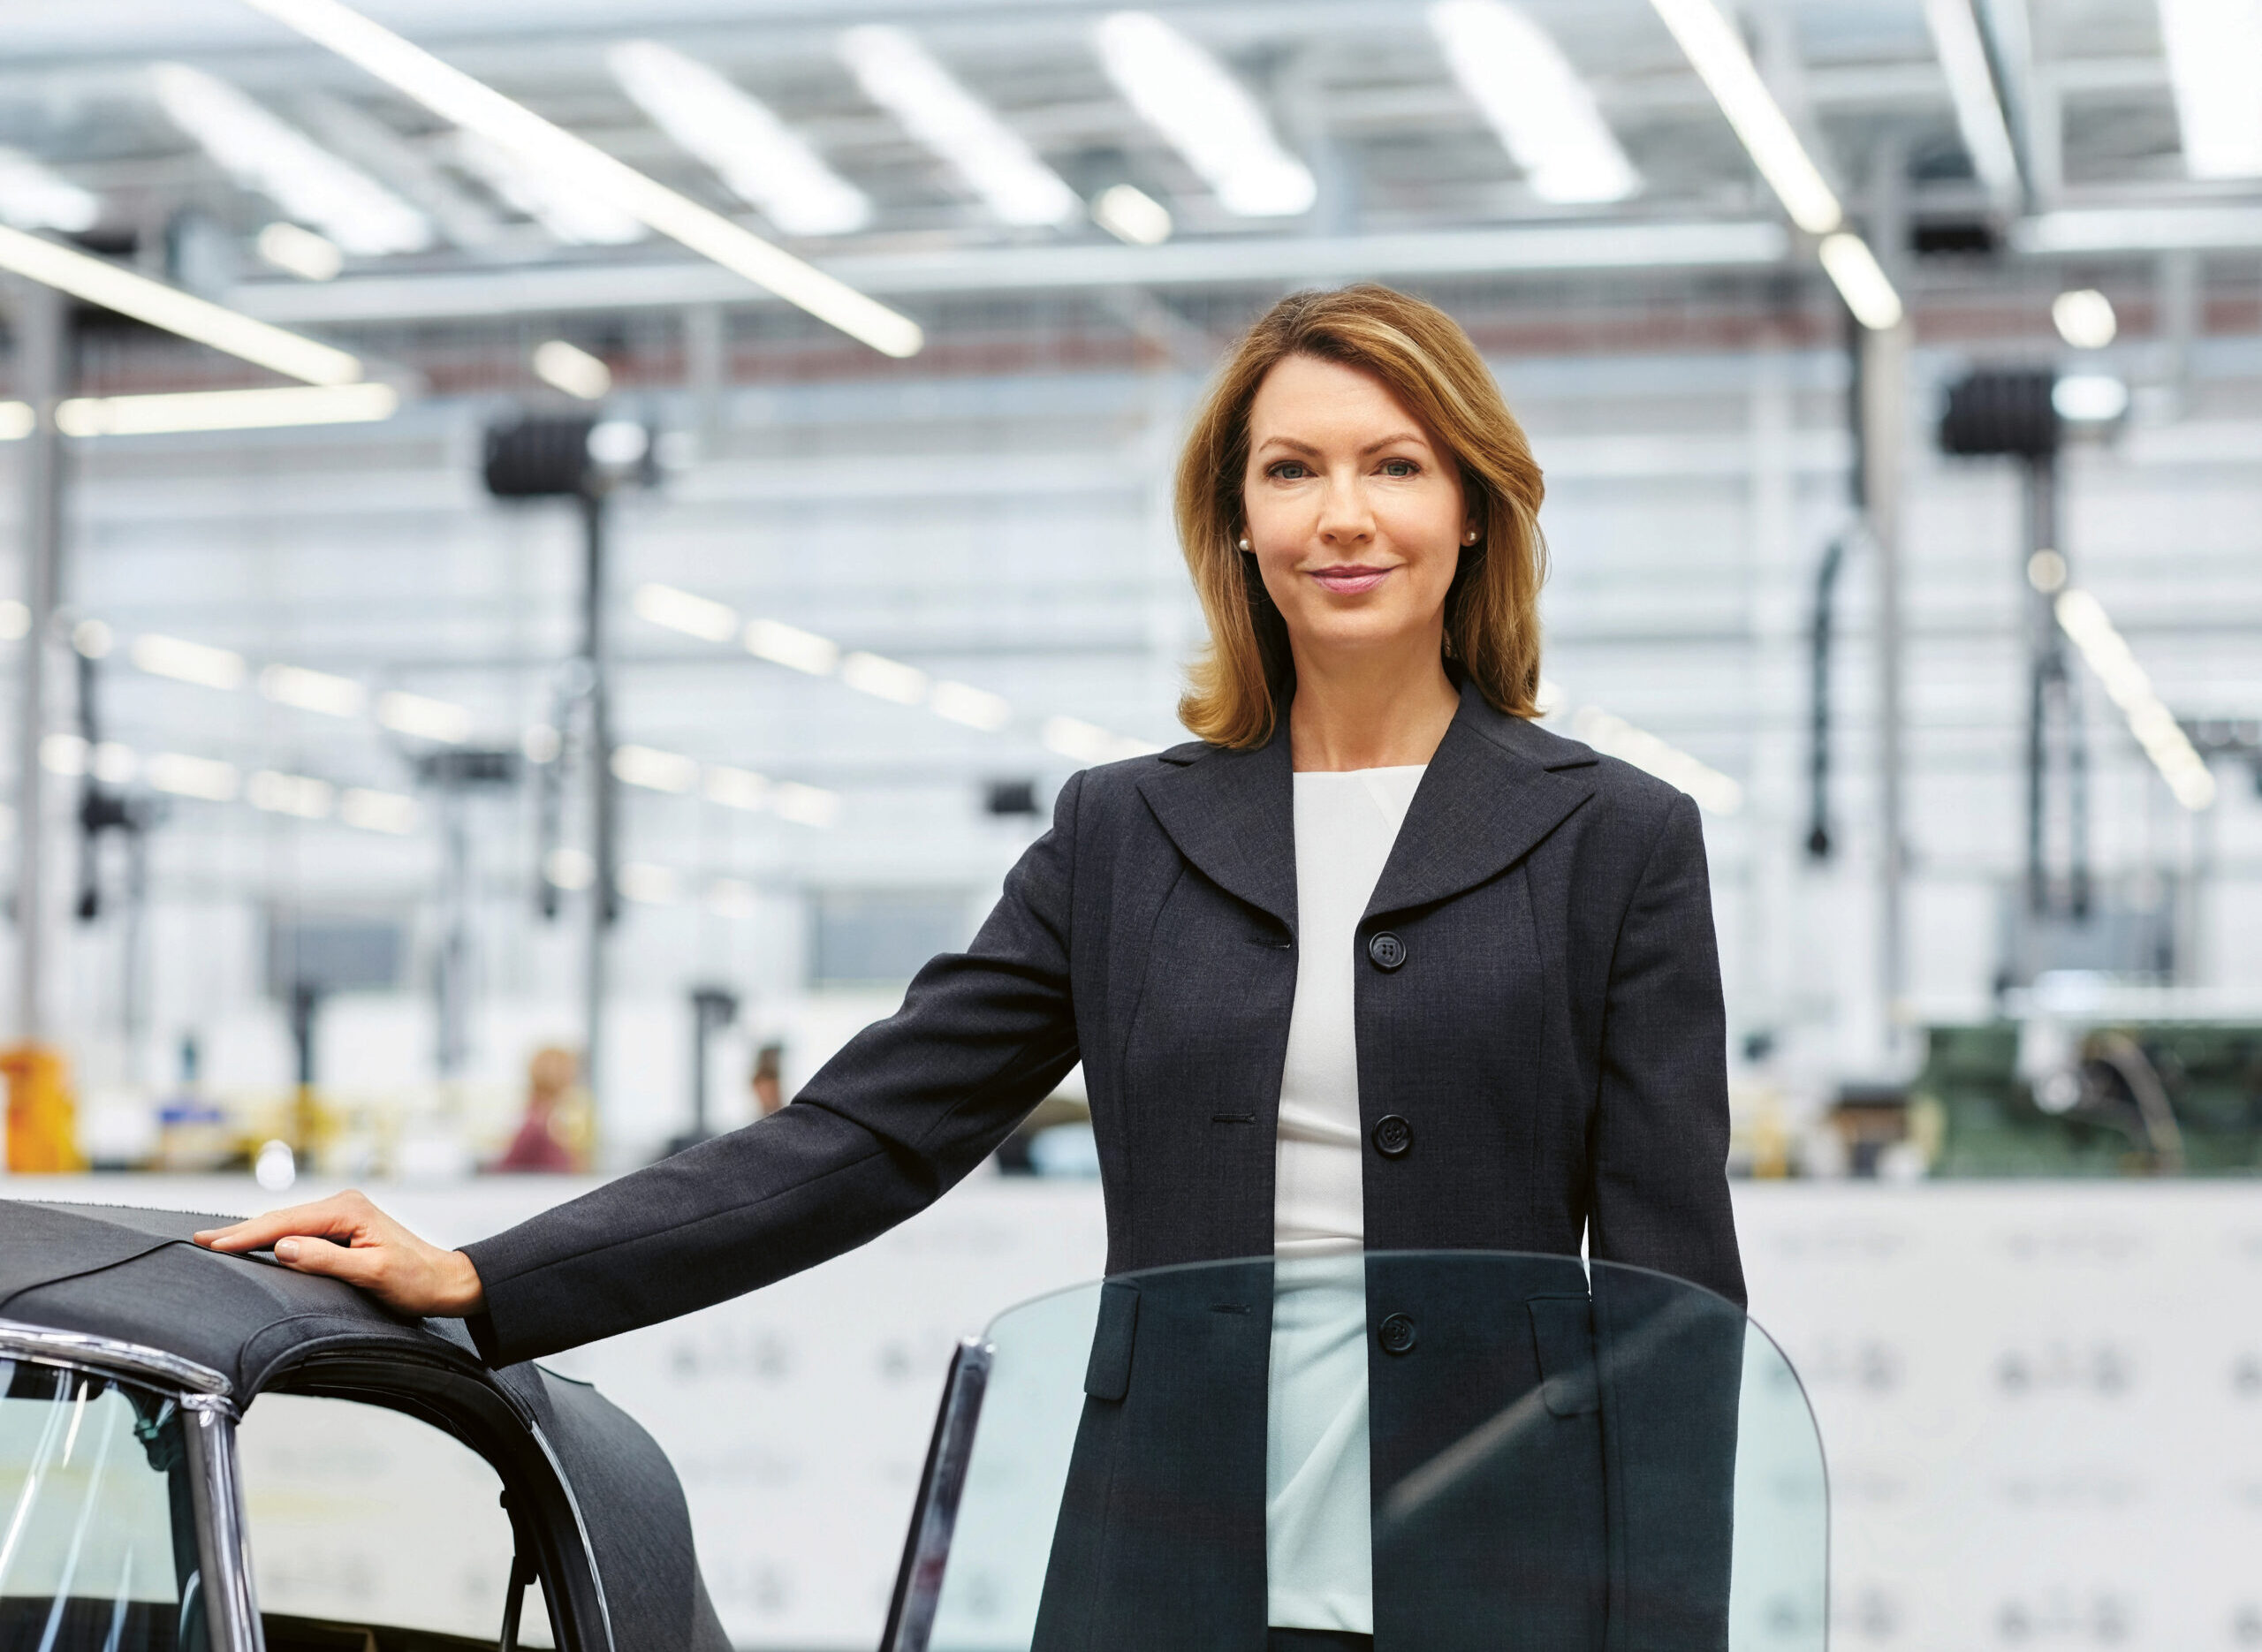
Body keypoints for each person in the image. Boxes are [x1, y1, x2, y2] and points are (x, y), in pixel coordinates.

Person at [199, 284, 1742, 1652]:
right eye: (1294, 469)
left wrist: (1676, 1622)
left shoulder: (1617, 840)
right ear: (1237, 521)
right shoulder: (1126, 832)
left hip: (1505, 1574)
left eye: (1395, 464)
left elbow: (1678, 1299)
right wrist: (487, 1275)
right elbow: (866, 1135)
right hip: (1165, 1573)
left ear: (1474, 508)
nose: (1344, 514)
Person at [487, 1045, 590, 1173]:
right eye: (569, 1069)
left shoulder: (550, 1116)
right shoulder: (537, 1120)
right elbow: (507, 1166)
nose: (574, 1075)